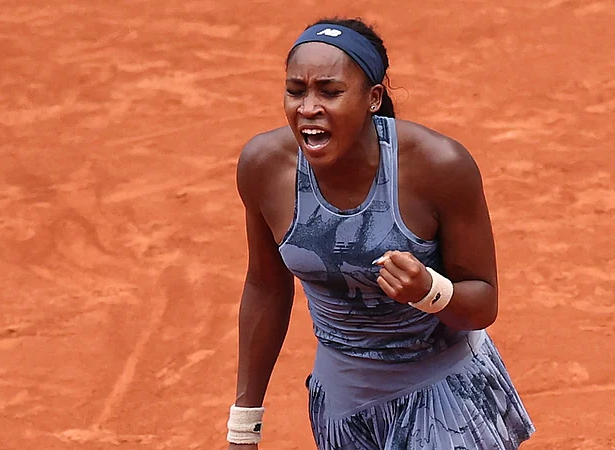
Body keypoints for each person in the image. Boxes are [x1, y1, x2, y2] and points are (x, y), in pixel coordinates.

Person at [227, 17, 535, 450]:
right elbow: (266, 288)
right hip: (342, 405)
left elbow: (482, 302)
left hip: (444, 397)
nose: (308, 107)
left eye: (330, 92)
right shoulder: (264, 167)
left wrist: (430, 291)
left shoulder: (439, 166)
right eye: (296, 90)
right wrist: (245, 426)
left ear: (373, 99)